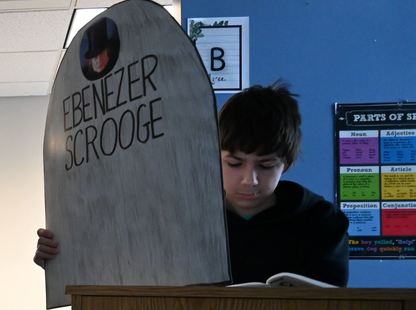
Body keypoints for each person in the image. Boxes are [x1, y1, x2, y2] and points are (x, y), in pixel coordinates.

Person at [35, 82, 349, 286]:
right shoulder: (181, 215)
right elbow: (115, 269)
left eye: (266, 166)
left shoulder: (321, 223)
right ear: (213, 157)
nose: (249, 180)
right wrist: (59, 257)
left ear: (287, 164)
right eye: (234, 163)